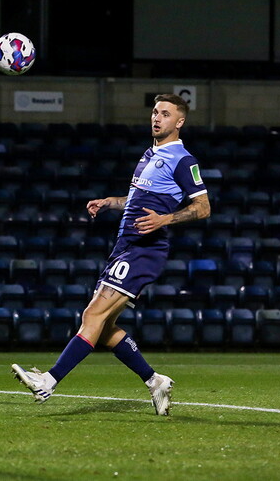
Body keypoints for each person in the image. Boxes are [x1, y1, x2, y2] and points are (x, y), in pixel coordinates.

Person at [11, 94, 210, 416]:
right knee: (103, 328)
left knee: (92, 316)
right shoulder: (149, 154)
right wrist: (111, 202)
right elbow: (137, 200)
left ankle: (48, 380)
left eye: (165, 114)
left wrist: (165, 219)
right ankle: (154, 380)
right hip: (126, 246)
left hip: (145, 248)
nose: (156, 118)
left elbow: (203, 208)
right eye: (155, 112)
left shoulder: (183, 160)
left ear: (180, 122)